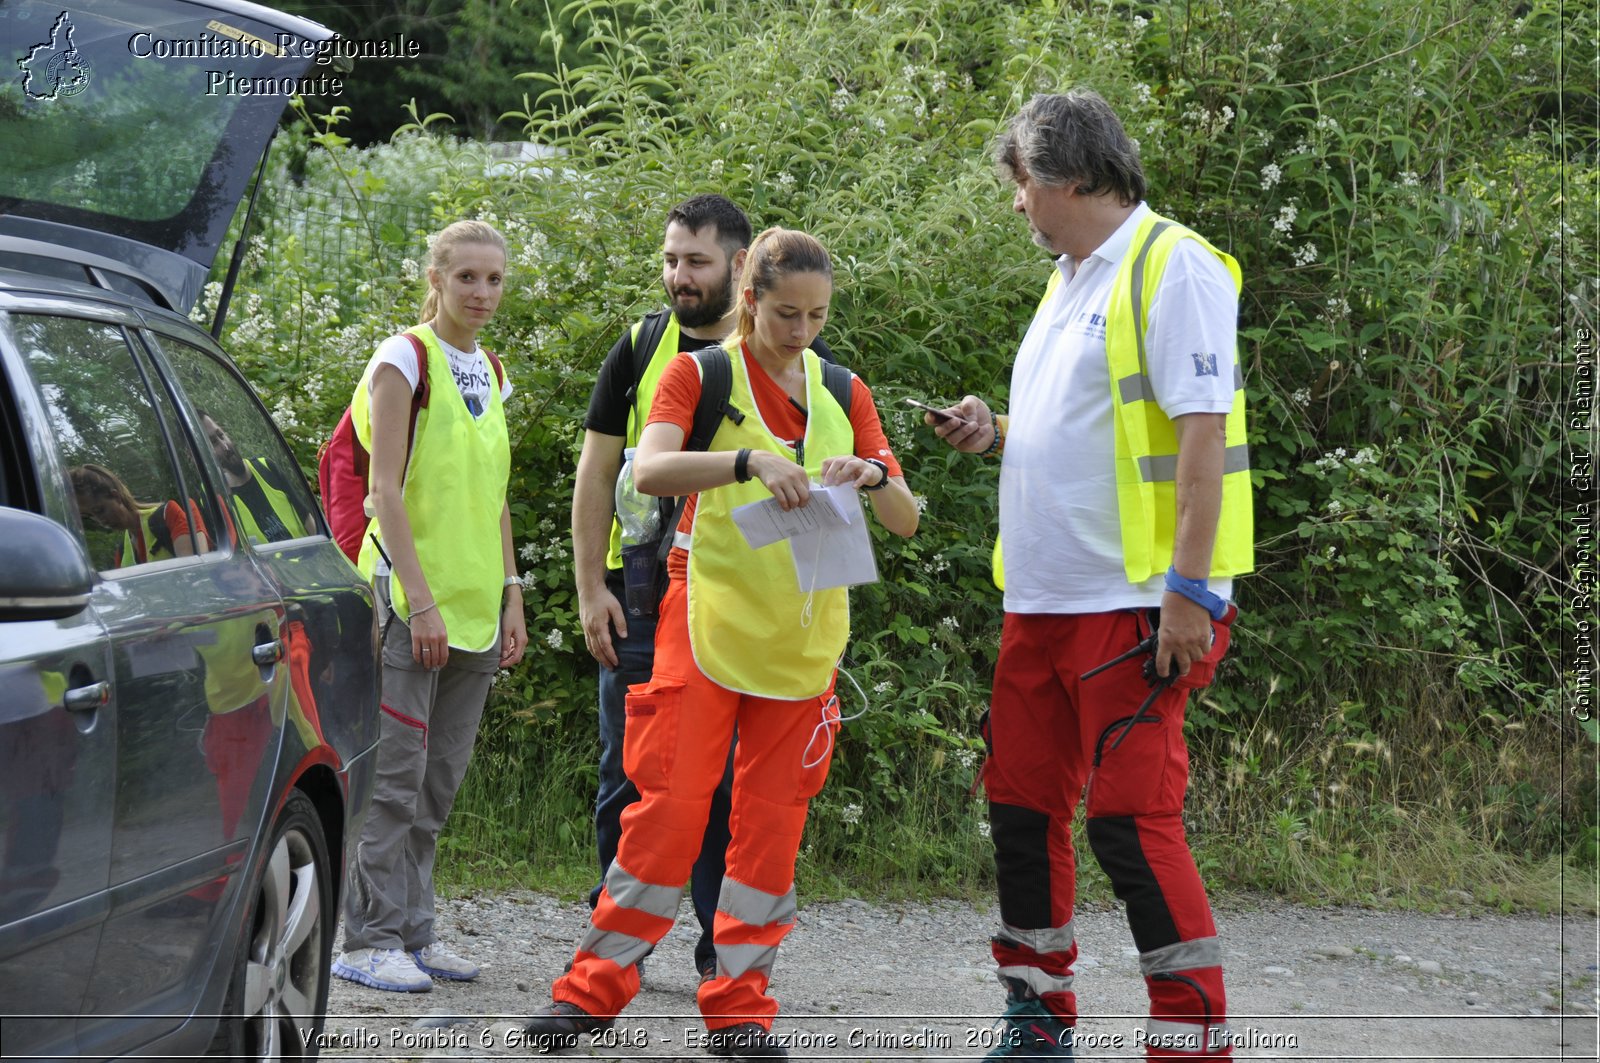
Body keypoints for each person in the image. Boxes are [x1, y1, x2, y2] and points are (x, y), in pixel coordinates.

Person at [526, 227, 919, 1059]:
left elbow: (906, 517)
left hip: (801, 642)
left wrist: (874, 475)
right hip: (702, 623)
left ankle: (739, 1007)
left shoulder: (843, 389)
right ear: (750, 298)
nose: (801, 331)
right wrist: (745, 461)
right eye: (785, 314)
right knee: (666, 812)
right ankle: (590, 994)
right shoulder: (697, 372)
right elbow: (652, 471)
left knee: (769, 830)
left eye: (816, 315)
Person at [927, 90, 1252, 1060]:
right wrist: (999, 434)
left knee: (1129, 824)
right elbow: (1092, 436)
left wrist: (1191, 591)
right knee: (1020, 812)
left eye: (1021, 184)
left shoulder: (1171, 264)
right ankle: (1036, 1020)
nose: (1016, 204)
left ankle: (1191, 1040)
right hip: (1041, 602)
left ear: (1067, 175)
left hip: (1134, 604)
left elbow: (1203, 439)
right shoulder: (1070, 278)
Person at [572, 194, 839, 983]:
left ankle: (720, 956)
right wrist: (592, 586)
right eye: (669, 259)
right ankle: (618, 948)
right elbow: (603, 473)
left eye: (695, 260)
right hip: (645, 584)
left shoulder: (802, 365)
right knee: (634, 773)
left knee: (736, 794)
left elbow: (848, 493)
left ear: (740, 268)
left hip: (759, 598)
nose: (677, 275)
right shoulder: (644, 347)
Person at [332, 219, 529, 993]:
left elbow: (496, 498)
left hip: (479, 603)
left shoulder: (492, 368)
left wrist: (513, 593)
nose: (482, 294)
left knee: (438, 779)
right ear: (437, 278)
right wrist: (418, 603)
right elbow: (384, 491)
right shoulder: (402, 359)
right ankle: (367, 935)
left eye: (495, 279)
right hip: (411, 600)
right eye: (467, 278)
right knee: (395, 776)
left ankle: (413, 932)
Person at [198, 408, 317, 544]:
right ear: (202, 454)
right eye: (213, 442)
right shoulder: (212, 495)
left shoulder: (266, 467)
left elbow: (307, 518)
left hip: (309, 561)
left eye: (221, 435)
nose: (225, 446)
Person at [68, 462, 209, 566]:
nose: (100, 521)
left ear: (116, 496)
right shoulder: (122, 552)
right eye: (90, 516)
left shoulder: (167, 515)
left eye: (100, 510)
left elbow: (194, 573)